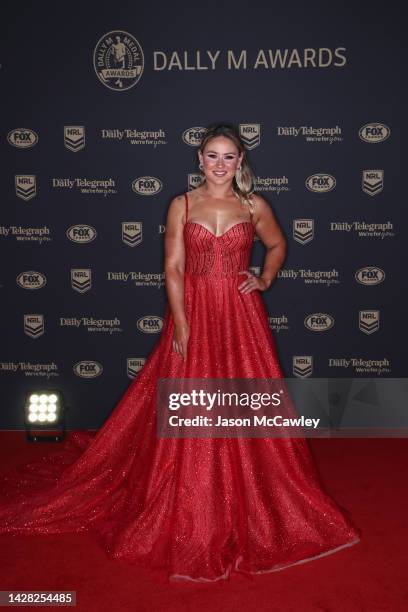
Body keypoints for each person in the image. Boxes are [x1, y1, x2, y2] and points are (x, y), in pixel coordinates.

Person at [0, 123, 361, 583]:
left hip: (239, 314)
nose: (220, 165)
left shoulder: (253, 206)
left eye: (229, 156)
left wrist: (265, 278)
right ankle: (190, 499)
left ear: (241, 161)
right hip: (194, 311)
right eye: (212, 155)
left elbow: (278, 244)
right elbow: (171, 267)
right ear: (198, 158)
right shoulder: (182, 204)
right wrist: (183, 324)